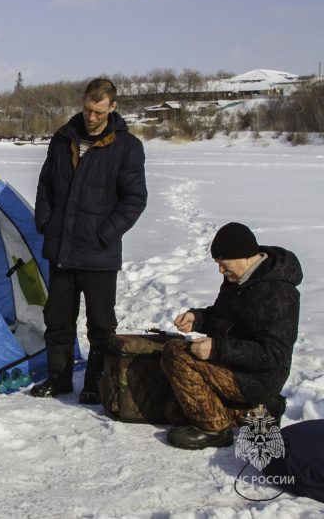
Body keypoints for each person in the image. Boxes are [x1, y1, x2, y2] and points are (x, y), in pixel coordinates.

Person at [33, 78, 147, 403]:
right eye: (87, 109)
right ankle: (59, 380)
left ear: (112, 107)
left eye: (98, 111)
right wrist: (45, 220)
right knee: (56, 320)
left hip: (99, 254)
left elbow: (134, 200)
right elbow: (45, 184)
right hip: (61, 250)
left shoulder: (126, 147)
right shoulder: (63, 137)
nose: (91, 117)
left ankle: (96, 383)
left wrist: (104, 234)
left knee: (100, 325)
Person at [161, 222, 302, 449]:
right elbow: (224, 317)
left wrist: (217, 348)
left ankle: (214, 429)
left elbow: (274, 353)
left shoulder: (277, 294)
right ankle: (259, 413)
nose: (220, 270)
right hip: (235, 364)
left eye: (223, 264)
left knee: (175, 353)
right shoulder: (239, 279)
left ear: (245, 257)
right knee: (174, 411)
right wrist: (196, 318)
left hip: (258, 378)